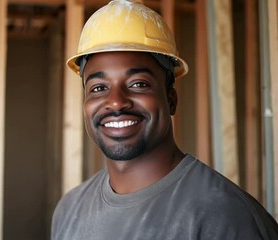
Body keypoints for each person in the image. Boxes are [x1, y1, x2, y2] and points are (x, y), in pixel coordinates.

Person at [51, 0, 278, 239]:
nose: (116, 102)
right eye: (98, 88)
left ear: (171, 99)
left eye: (138, 84)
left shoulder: (227, 218)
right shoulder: (69, 210)